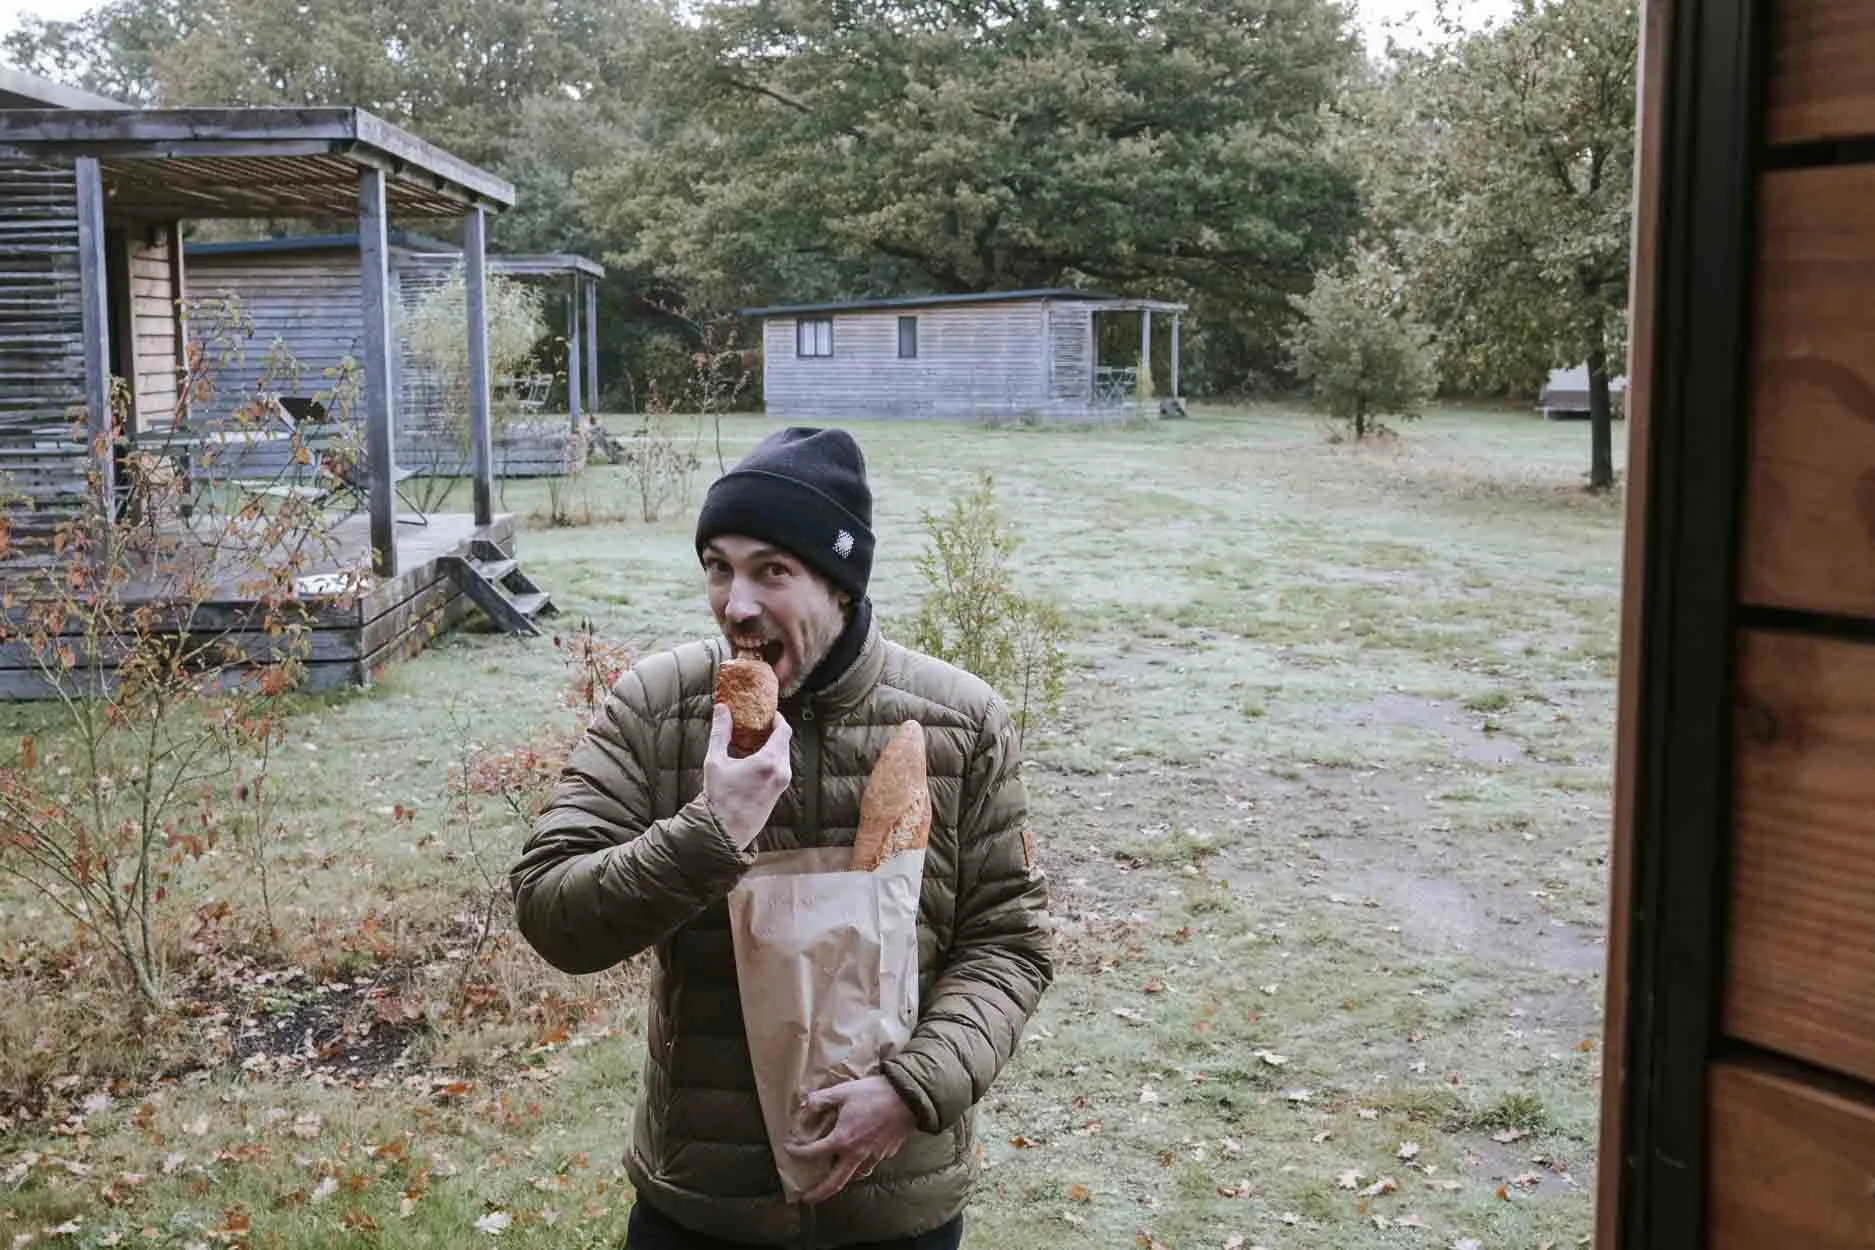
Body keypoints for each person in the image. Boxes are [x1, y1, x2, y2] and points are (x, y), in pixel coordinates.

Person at [510, 427, 1055, 1249]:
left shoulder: (959, 720)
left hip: (894, 1202)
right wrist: (711, 828)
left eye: (772, 570)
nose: (736, 604)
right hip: (702, 1200)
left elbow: (1007, 942)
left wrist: (911, 1092)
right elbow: (553, 917)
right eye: (718, 567)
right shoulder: (656, 708)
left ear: (839, 586)